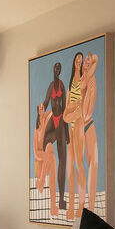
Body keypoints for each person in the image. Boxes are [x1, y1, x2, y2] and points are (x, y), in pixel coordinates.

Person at [64, 51, 101, 220]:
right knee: (72, 167)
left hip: (85, 124)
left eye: (83, 61)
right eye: (78, 60)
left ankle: (87, 208)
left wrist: (91, 62)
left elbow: (95, 61)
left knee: (86, 164)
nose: (81, 62)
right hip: (75, 126)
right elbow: (66, 115)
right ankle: (73, 206)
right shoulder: (72, 86)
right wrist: (75, 110)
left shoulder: (89, 78)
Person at [40, 61, 69, 212]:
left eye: (59, 68)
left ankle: (62, 199)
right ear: (53, 69)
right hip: (53, 121)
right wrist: (39, 115)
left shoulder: (62, 86)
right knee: (43, 146)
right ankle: (42, 181)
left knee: (62, 161)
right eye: (56, 67)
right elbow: (45, 102)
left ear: (60, 70)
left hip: (61, 122)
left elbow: (64, 107)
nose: (57, 69)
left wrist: (67, 132)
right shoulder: (52, 86)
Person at [33, 104, 59, 217]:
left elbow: (56, 111)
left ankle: (53, 206)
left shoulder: (48, 116)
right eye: (39, 107)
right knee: (50, 155)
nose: (41, 108)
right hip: (39, 164)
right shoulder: (36, 131)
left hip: (47, 160)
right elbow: (36, 153)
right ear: (38, 111)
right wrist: (45, 157)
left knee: (49, 147)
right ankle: (42, 180)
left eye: (43, 106)